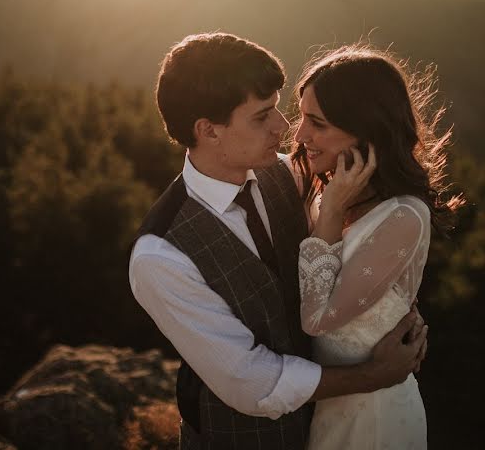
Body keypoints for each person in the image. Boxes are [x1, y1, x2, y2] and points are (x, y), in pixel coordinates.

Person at [128, 33, 428, 450]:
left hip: (336, 430)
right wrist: (373, 376)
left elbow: (360, 245)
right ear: (208, 131)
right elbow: (251, 381)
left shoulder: (291, 174)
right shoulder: (160, 256)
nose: (284, 127)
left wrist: (393, 302)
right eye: (262, 116)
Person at [291, 45, 463, 449]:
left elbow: (317, 319)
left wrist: (331, 212)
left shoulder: (402, 217)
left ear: (365, 130)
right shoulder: (323, 191)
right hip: (327, 412)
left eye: (316, 123)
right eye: (301, 118)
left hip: (373, 422)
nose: (299, 135)